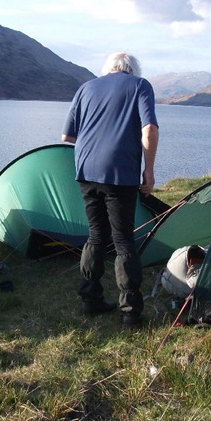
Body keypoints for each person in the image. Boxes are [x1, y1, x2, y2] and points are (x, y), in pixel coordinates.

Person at [61, 52, 159, 326]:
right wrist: (148, 171)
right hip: (119, 172)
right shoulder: (140, 85)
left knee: (95, 235)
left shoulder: (86, 87)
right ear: (132, 69)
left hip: (86, 171)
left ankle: (90, 300)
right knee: (123, 240)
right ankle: (129, 312)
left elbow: (67, 136)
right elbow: (149, 129)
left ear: (109, 68)